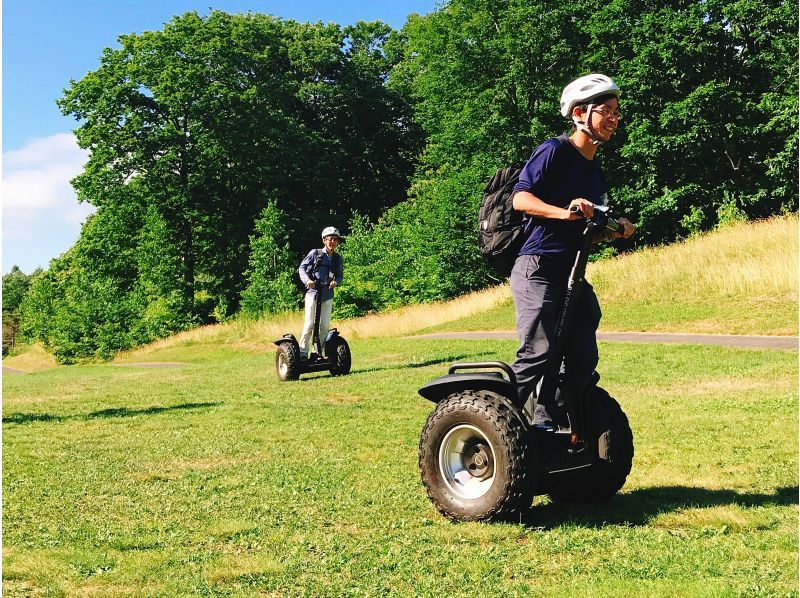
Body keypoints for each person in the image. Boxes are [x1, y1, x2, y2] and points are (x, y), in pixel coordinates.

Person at [509, 73, 635, 426]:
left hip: (571, 269)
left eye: (616, 111)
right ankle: (495, 423)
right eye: (606, 110)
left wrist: (616, 228)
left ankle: (550, 419)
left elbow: (589, 225)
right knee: (538, 350)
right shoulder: (555, 150)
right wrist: (565, 211)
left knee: (581, 353)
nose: (614, 118)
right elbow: (521, 198)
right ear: (580, 113)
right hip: (538, 265)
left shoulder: (593, 167)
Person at [298, 226, 344, 359]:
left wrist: (336, 282)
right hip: (313, 294)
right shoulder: (315, 253)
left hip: (327, 295)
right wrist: (307, 281)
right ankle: (302, 353)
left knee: (324, 326)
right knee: (309, 325)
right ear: (324, 240)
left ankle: (317, 352)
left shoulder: (337, 258)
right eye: (330, 239)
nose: (333, 242)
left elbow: (340, 275)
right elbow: (302, 268)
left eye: (335, 240)